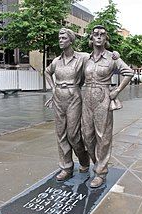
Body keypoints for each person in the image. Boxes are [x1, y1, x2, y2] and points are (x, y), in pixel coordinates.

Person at [82, 25, 134, 188]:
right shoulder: (85, 58)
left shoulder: (112, 57)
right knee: (87, 136)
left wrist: (117, 90)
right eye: (95, 34)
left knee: (102, 137)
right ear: (91, 38)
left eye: (102, 34)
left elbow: (128, 72)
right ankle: (98, 163)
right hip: (87, 98)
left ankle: (101, 172)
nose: (98, 36)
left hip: (103, 97)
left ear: (106, 39)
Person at [45, 28, 90, 181]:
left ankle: (84, 159)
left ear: (71, 40)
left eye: (63, 37)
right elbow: (46, 72)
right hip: (58, 97)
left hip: (74, 97)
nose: (60, 40)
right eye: (59, 37)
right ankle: (67, 167)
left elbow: (95, 63)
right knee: (61, 134)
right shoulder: (56, 61)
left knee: (73, 134)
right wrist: (52, 88)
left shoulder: (82, 58)